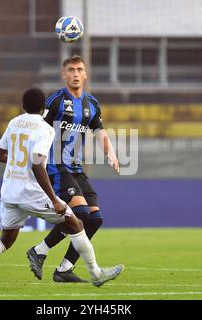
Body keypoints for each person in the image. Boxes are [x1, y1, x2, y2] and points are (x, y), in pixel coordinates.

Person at [0, 88, 124, 288]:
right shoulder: (45, 129)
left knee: (5, 240)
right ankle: (96, 274)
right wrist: (54, 200)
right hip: (31, 193)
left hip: (9, 192)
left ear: (23, 106)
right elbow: (36, 163)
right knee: (76, 224)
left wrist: (17, 161)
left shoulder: (14, 123)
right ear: (43, 109)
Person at [26, 55, 120, 283]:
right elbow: (39, 130)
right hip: (57, 167)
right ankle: (39, 251)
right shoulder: (55, 101)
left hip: (77, 169)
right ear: (64, 74)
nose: (76, 74)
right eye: (71, 70)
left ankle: (64, 269)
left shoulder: (92, 104)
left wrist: (111, 153)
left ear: (85, 74)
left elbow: (100, 132)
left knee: (95, 219)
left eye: (79, 69)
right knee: (79, 214)